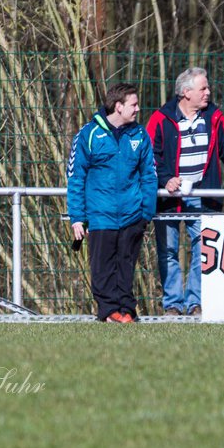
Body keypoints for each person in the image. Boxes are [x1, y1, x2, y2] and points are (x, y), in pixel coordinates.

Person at [145, 67, 224, 316]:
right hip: (168, 198)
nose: (208, 92)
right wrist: (166, 180)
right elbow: (149, 156)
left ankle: (195, 303)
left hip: (203, 195)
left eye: (207, 88)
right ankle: (173, 304)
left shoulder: (214, 117)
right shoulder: (160, 118)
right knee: (168, 250)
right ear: (186, 92)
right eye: (203, 88)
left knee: (204, 248)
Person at [68, 83, 157, 322]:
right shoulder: (89, 135)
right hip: (100, 215)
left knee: (126, 266)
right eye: (134, 104)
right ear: (118, 106)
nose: (138, 109)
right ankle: (109, 311)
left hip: (132, 214)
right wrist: (77, 217)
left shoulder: (140, 135)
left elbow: (149, 174)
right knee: (103, 267)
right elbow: (76, 178)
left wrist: (146, 212)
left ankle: (127, 309)